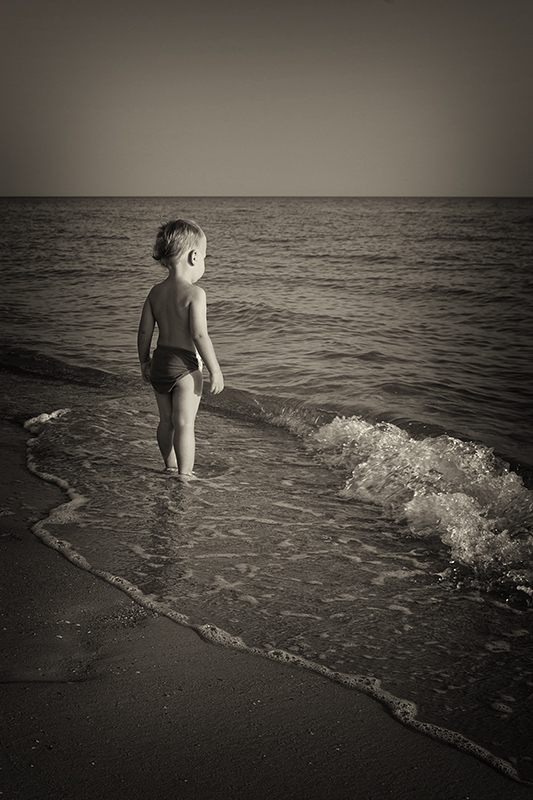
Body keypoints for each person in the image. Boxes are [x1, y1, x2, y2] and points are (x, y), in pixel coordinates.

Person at [137, 218, 224, 481]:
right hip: (185, 365)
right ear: (195, 257)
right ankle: (185, 475)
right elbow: (199, 335)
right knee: (185, 423)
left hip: (160, 362)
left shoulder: (155, 292)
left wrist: (144, 362)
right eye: (205, 257)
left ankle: (169, 466)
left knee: (166, 421)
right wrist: (215, 370)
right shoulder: (195, 293)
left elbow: (144, 332)